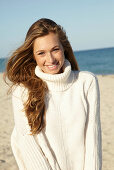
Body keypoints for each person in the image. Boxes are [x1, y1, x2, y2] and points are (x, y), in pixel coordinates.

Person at [5, 18, 102, 170]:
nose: (50, 59)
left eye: (55, 49)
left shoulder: (86, 82)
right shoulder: (22, 91)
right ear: (33, 56)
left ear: (64, 48)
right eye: (41, 53)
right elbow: (29, 147)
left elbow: (93, 141)